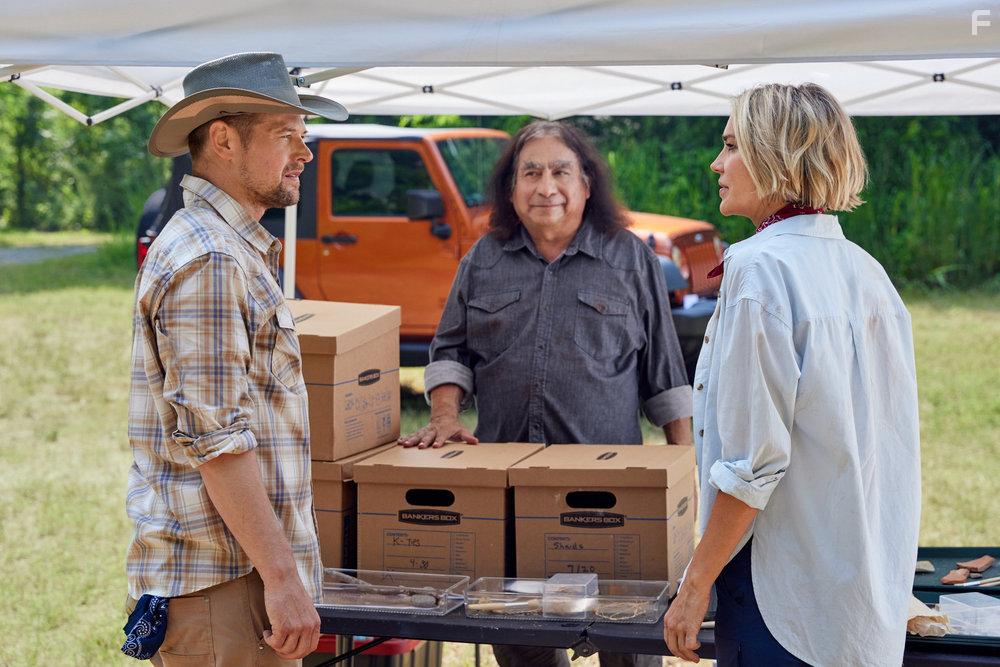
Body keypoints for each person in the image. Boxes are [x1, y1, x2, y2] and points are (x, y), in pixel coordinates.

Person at [400, 120, 693, 667]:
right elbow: (449, 350)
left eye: (561, 171)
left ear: (586, 184)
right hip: (509, 500)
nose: (545, 186)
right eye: (530, 172)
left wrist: (684, 488)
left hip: (609, 501)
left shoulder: (630, 258)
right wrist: (444, 413)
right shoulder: (483, 259)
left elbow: (666, 376)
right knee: (521, 646)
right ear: (511, 189)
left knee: (628, 646)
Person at [663, 83, 920, 666]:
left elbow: (755, 462)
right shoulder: (866, 270)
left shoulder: (760, 270)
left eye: (731, 146)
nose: (716, 163)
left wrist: (695, 583)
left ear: (775, 154)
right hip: (858, 588)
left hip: (780, 592)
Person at [124, 52, 347, 666]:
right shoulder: (212, 259)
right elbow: (216, 439)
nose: (305, 153)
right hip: (227, 585)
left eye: (304, 137)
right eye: (286, 136)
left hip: (230, 581)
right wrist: (280, 577)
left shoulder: (222, 248)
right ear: (223, 139)